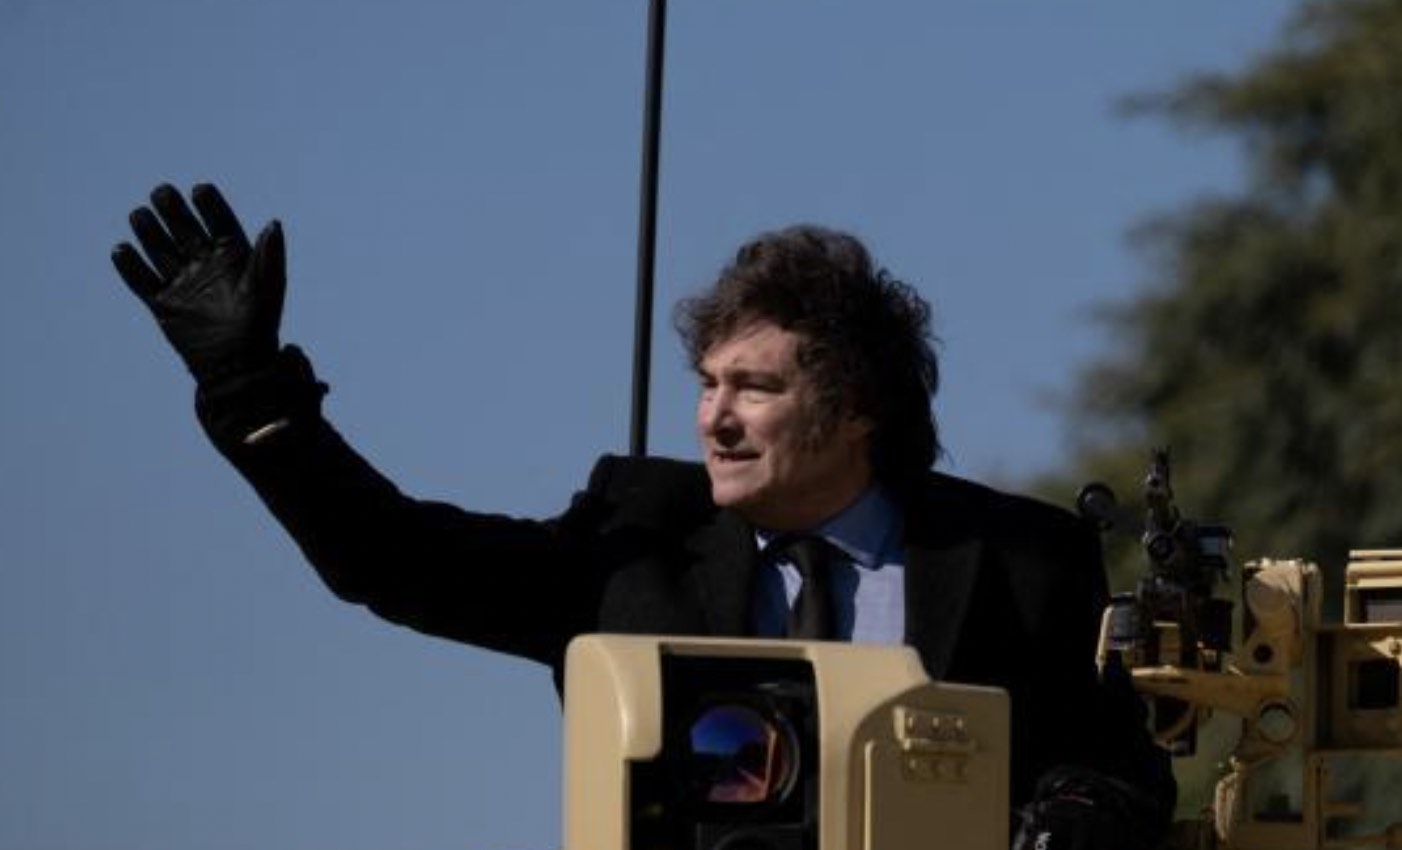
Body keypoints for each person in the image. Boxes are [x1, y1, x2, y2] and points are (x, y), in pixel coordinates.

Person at [111, 182, 1177, 850]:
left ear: (858, 409)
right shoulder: (634, 541)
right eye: (708, 384)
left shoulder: (1021, 557)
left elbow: (1120, 774)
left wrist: (1080, 816)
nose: (715, 416)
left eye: (755, 386)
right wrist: (251, 391)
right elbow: (395, 561)